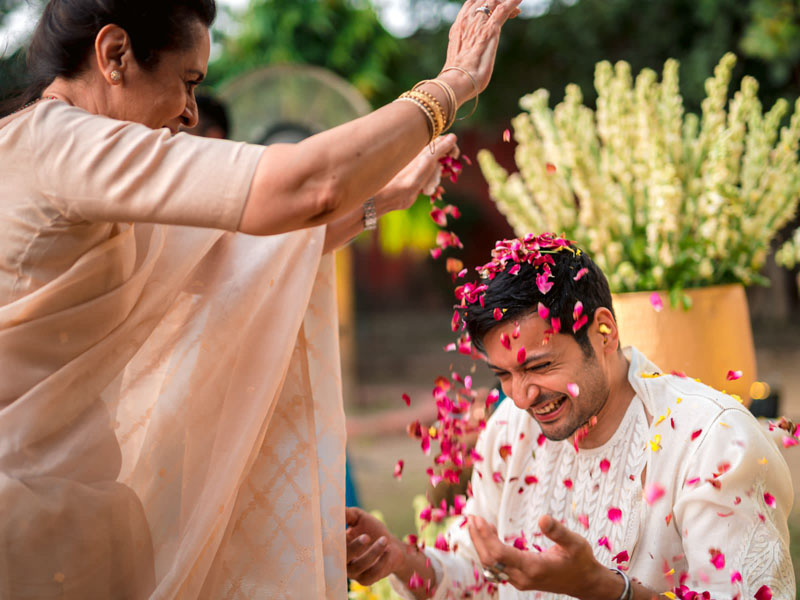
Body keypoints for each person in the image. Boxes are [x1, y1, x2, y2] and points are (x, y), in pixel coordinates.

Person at [0, 0, 522, 598]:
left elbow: (236, 254)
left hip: (74, 505)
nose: (190, 112)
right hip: (22, 517)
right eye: (187, 82)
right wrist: (450, 86)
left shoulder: (65, 158)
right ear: (115, 55)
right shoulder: (56, 143)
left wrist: (382, 200)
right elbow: (307, 185)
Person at [344, 234, 795, 600]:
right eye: (504, 374)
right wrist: (400, 559)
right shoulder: (509, 429)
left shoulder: (712, 441)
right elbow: (478, 579)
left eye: (539, 366)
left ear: (604, 331)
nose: (522, 396)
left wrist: (601, 589)